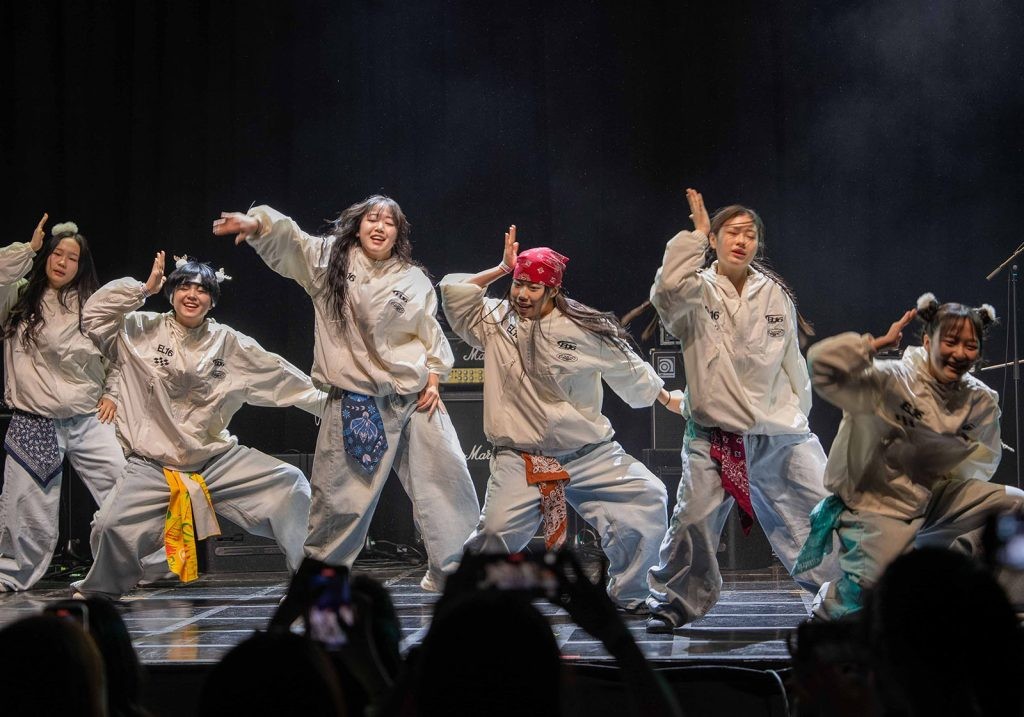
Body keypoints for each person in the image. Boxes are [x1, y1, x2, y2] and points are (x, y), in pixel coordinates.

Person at [212, 198, 479, 591]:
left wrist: (435, 378)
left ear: (397, 233)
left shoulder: (412, 278)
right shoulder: (331, 261)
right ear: (357, 225)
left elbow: (430, 334)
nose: (379, 227)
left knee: (447, 479)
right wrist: (259, 225)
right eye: (372, 218)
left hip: (416, 398)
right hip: (358, 402)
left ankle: (452, 573)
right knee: (341, 502)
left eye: (389, 222)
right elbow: (295, 243)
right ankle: (320, 583)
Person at [439, 225, 679, 610]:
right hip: (522, 460)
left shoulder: (584, 328)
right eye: (518, 284)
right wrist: (502, 268)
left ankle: (631, 595)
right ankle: (469, 599)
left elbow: (631, 372)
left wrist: (667, 398)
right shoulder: (495, 321)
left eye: (533, 287)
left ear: (552, 290)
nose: (522, 294)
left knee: (647, 496)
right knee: (496, 531)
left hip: (587, 455)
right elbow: (455, 292)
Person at [73, 252, 324, 597]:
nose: (192, 294)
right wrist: (142, 290)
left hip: (213, 461)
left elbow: (281, 376)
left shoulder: (229, 343)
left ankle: (310, 581)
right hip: (153, 466)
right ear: (172, 292)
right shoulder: (139, 329)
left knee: (290, 485)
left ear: (212, 300)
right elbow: (93, 315)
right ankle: (100, 593)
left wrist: (335, 407)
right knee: (109, 526)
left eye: (202, 289)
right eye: (185, 287)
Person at [646, 188, 835, 632]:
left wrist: (798, 415)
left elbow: (792, 363)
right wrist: (694, 234)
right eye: (732, 232)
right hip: (715, 436)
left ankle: (839, 600)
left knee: (820, 511)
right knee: (693, 519)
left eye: (750, 234)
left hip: (779, 432)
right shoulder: (696, 292)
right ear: (714, 240)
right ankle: (677, 601)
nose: (742, 240)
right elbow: (666, 290)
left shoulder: (775, 294)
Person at [798, 294, 1024, 618]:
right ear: (929, 339)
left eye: (970, 345)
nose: (960, 353)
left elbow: (982, 460)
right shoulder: (890, 379)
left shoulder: (981, 399)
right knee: (875, 600)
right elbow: (822, 366)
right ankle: (831, 609)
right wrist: (874, 345)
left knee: (1014, 506)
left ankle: (999, 607)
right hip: (878, 505)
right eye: (951, 342)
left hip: (933, 498)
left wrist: (941, 480)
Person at [0, 215, 126, 592]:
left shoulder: (93, 306)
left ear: (81, 265)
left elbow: (118, 357)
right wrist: (28, 250)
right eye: (56, 253)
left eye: (71, 257)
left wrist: (112, 393)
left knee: (125, 488)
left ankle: (145, 566)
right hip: (35, 419)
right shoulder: (20, 297)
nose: (61, 261)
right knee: (25, 506)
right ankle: (10, 575)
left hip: (88, 418)